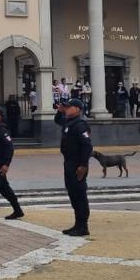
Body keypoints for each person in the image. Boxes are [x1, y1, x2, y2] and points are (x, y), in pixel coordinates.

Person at [53, 98, 92, 236]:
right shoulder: (69, 122)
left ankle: (83, 226)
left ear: (77, 109)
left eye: (69, 107)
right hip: (69, 162)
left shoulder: (80, 124)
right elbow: (58, 120)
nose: (67, 109)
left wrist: (83, 165)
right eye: (66, 107)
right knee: (72, 194)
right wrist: (59, 111)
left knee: (79, 194)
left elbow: (87, 146)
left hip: (77, 164)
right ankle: (77, 224)